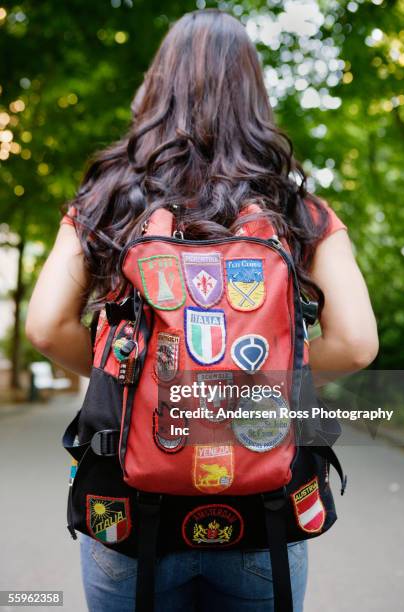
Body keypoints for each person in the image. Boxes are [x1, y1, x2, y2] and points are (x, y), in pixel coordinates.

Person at [26, 8, 378, 612]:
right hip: (262, 515)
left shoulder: (107, 199)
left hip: (129, 515)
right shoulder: (297, 210)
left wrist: (145, 383)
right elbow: (356, 342)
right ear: (254, 94)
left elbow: (45, 326)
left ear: (156, 87)